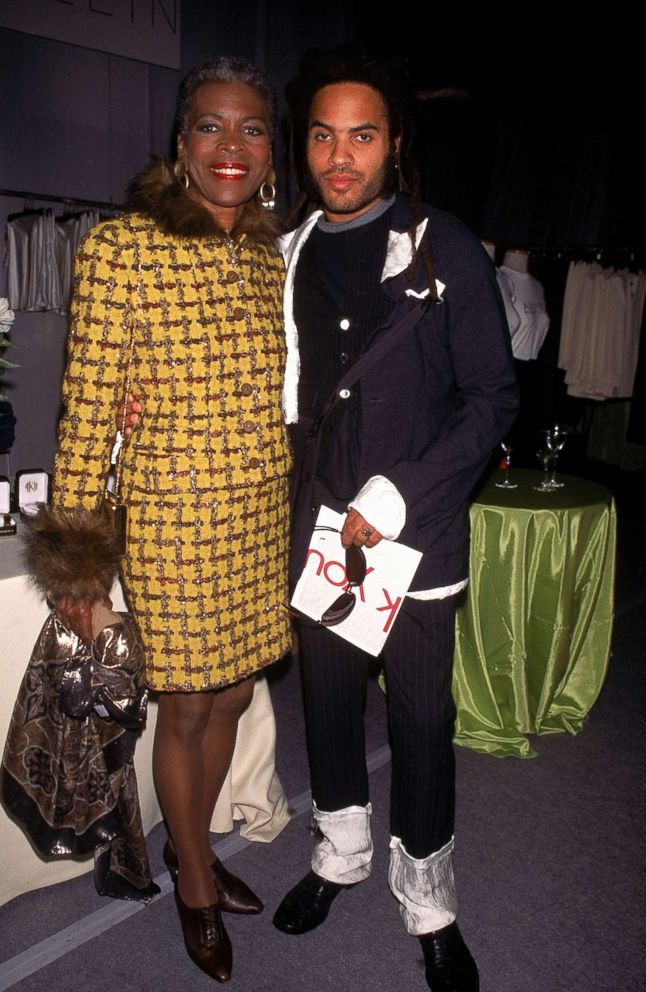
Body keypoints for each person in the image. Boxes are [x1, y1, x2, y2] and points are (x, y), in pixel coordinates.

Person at [271, 50, 519, 992]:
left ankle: (430, 901)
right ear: (305, 147)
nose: (341, 156)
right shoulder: (290, 249)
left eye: (362, 135)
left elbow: (493, 397)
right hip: (325, 534)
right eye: (324, 136)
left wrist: (401, 490)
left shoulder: (440, 242)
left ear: (395, 145)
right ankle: (339, 852)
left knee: (422, 720)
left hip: (417, 534)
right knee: (328, 708)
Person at [52, 57, 293, 984]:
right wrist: (79, 567)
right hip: (175, 522)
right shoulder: (122, 247)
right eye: (209, 126)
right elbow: (84, 407)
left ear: (271, 153)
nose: (229, 147)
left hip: (259, 517)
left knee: (233, 694)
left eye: (251, 128)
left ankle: (201, 842)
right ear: (178, 142)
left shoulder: (273, 254)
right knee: (188, 707)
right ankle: (193, 877)